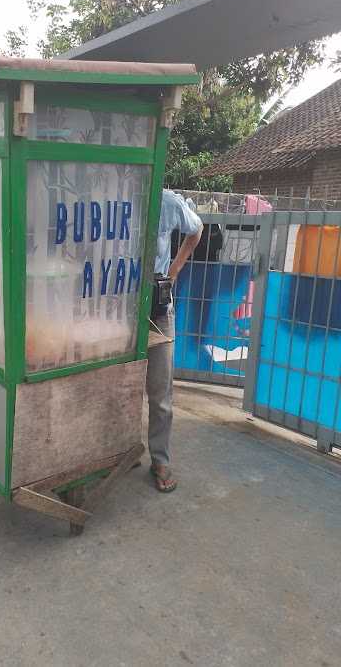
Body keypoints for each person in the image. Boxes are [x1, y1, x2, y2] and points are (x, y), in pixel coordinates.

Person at [146, 189, 203, 492]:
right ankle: (116, 451)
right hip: (117, 308)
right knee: (117, 384)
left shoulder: (166, 201)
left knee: (160, 389)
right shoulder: (112, 195)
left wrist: (174, 270)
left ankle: (160, 458)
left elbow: (197, 230)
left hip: (157, 309)